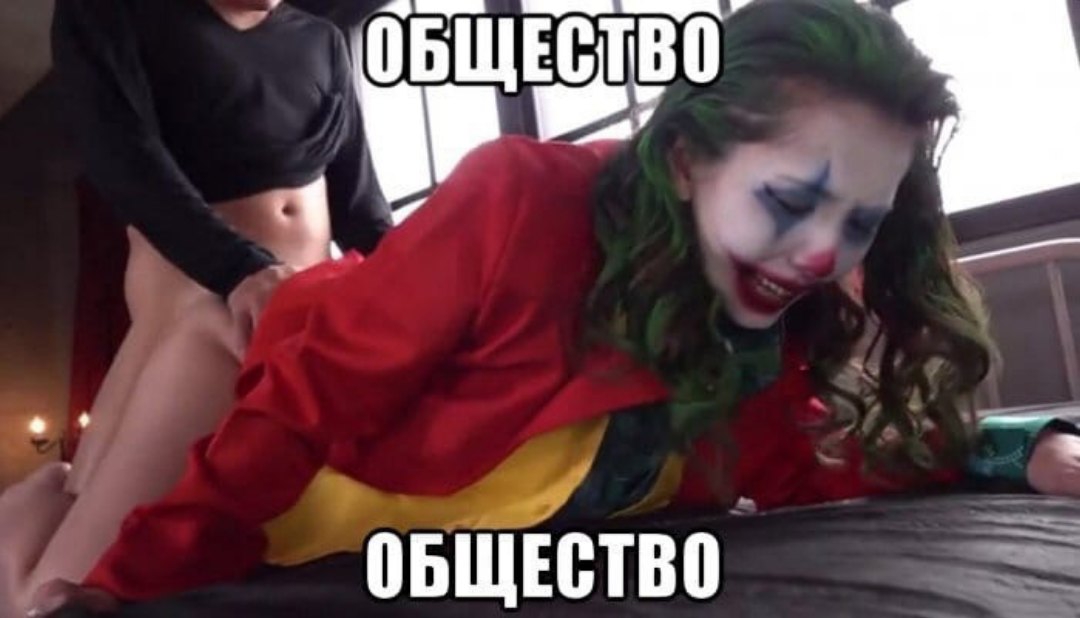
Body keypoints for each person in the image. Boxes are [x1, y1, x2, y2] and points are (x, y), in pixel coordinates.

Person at [28, 0, 1080, 613]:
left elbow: (817, 463)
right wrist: (128, 587)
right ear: (684, 158)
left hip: (345, 301)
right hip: (246, 349)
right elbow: (301, 397)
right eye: (790, 199)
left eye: (859, 220)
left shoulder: (747, 332)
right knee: (56, 586)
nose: (820, 255)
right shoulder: (520, 200)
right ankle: (33, 501)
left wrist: (1020, 449)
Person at [0, 0, 392, 615]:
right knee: (59, 594)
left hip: (282, 317)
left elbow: (362, 209)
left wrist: (430, 279)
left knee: (70, 514)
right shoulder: (113, 16)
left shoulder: (321, 42)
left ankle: (25, 517)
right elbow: (126, 165)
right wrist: (243, 271)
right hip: (212, 318)